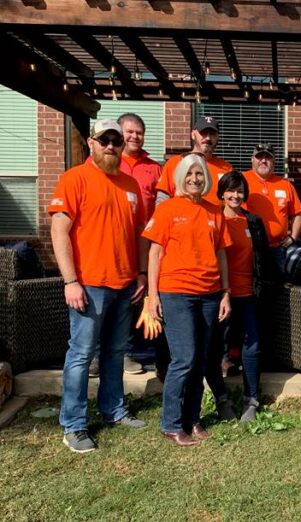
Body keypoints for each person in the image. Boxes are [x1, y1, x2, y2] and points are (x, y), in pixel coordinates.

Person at [49, 120, 148, 453]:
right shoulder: (74, 178)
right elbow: (59, 230)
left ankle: (113, 410)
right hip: (88, 285)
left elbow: (138, 235)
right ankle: (74, 425)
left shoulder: (130, 184)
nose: (111, 146)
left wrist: (142, 274)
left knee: (115, 353)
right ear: (91, 142)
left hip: (124, 284)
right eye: (104, 139)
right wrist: (70, 281)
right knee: (80, 355)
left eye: (116, 141)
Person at [143, 154, 232, 447]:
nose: (195, 179)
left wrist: (225, 293)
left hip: (209, 293)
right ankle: (171, 423)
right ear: (181, 177)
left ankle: (192, 418)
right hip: (176, 291)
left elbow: (221, 254)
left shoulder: (215, 211)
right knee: (184, 358)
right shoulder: (167, 209)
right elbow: (154, 254)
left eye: (200, 174)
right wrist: (152, 295)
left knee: (201, 359)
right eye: (190, 174)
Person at [205, 171, 280, 422]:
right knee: (215, 348)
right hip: (218, 294)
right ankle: (221, 398)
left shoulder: (253, 221)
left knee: (253, 346)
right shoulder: (212, 218)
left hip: (249, 293)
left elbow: (263, 258)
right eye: (230, 190)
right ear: (221, 192)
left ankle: (251, 399)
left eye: (239, 191)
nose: (235, 195)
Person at [117, 112, 163, 375]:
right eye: (129, 131)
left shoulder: (153, 167)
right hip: (117, 241)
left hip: (146, 242)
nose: (134, 136)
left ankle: (127, 352)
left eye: (139, 132)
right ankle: (101, 356)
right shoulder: (107, 161)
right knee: (113, 298)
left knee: (137, 295)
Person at [243, 143, 301, 273]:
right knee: (252, 287)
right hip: (250, 249)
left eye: (268, 157)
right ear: (252, 159)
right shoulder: (242, 180)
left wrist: (293, 237)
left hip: (278, 250)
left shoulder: (285, 185)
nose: (263, 160)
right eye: (259, 157)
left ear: (274, 161)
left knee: (277, 288)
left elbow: (297, 214)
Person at [155, 115, 232, 206]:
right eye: (203, 133)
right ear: (193, 134)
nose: (208, 138)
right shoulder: (174, 163)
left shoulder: (226, 168)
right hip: (182, 218)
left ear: (218, 137)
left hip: (215, 218)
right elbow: (162, 200)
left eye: (212, 134)